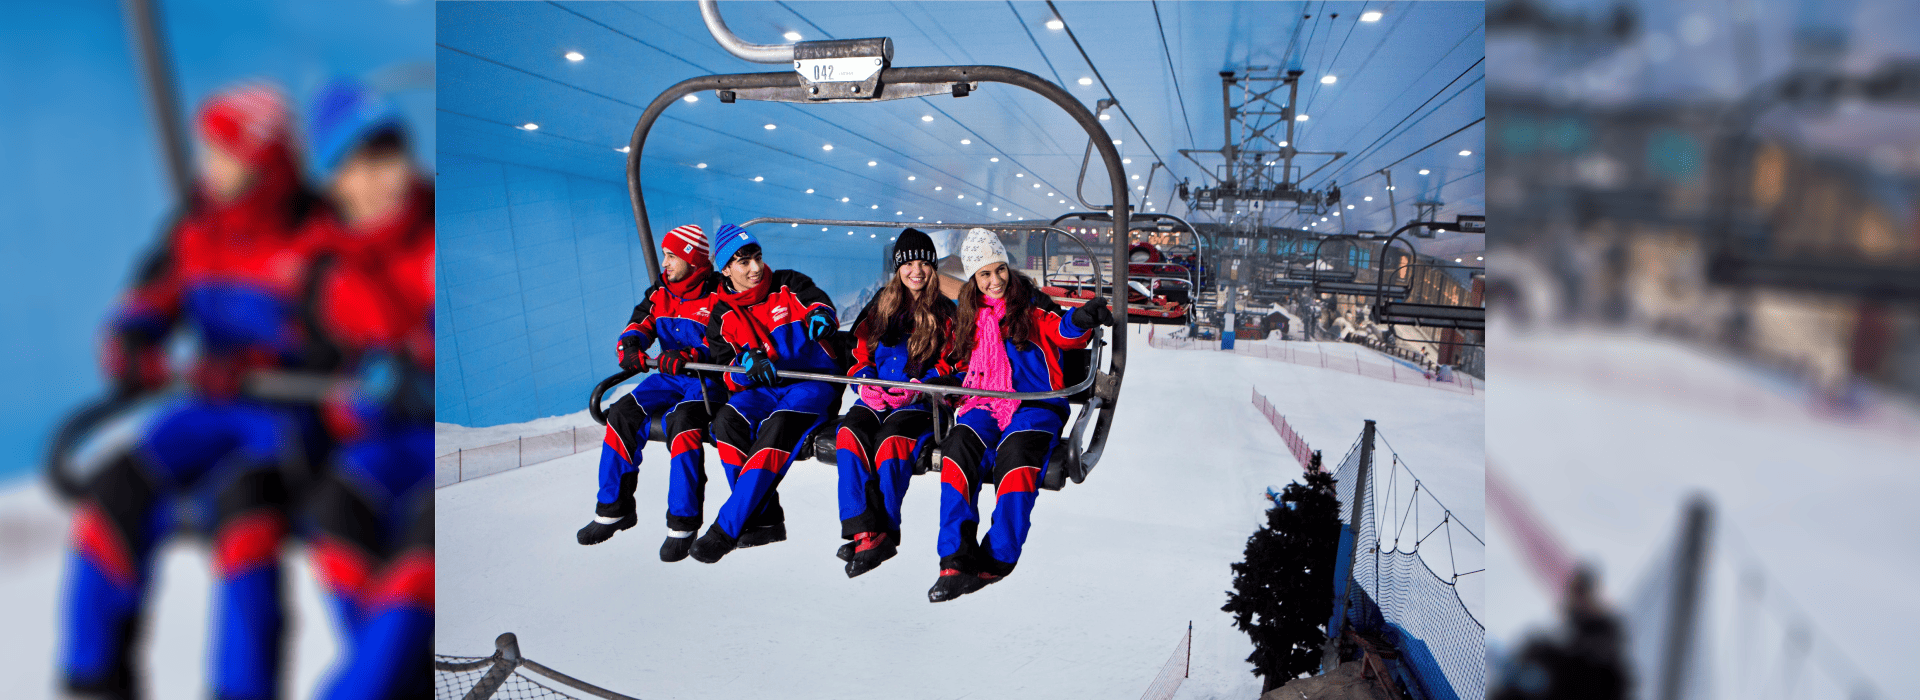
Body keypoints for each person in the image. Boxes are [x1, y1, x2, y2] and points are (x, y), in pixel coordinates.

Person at [62, 82, 329, 700]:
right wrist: (131, 345)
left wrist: (270, 365)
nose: (210, 165)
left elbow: (345, 336)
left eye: (224, 153)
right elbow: (146, 304)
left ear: (261, 158)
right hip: (210, 408)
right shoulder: (196, 228)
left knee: (243, 518)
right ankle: (94, 675)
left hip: (286, 417)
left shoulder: (313, 234)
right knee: (113, 491)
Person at [299, 78, 436, 700]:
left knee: (426, 539)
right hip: (390, 443)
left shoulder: (434, 237)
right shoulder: (327, 272)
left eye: (391, 155)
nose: (384, 176)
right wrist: (355, 397)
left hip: (432, 441)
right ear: (336, 181)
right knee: (335, 505)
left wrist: (418, 364)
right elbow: (325, 386)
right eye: (363, 162)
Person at [928, 228, 1113, 603]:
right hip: (984, 401)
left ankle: (998, 556)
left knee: (1015, 460)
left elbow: (1060, 331)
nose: (995, 281)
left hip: (1036, 403)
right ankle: (954, 559)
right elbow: (962, 359)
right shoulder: (970, 313)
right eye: (985, 274)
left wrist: (1081, 320)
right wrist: (947, 380)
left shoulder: (1029, 303)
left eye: (1000, 270)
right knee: (959, 448)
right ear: (973, 278)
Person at [574, 223, 725, 563]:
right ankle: (614, 510)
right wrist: (630, 345)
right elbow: (641, 322)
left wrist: (691, 356)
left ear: (691, 258)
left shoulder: (719, 294)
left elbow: (726, 341)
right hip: (669, 378)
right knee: (621, 414)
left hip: (708, 381)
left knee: (683, 424)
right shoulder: (661, 291)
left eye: (672, 256)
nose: (665, 263)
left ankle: (682, 525)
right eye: (664, 256)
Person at [689, 225, 840, 563]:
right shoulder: (721, 315)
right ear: (725, 269)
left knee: (779, 427)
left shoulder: (788, 282)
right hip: (763, 389)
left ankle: (727, 527)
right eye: (743, 262)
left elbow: (816, 300)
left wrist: (821, 315)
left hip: (810, 382)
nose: (755, 268)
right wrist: (745, 364)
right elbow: (724, 369)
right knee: (726, 422)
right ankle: (764, 519)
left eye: (757, 257)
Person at [833, 229, 955, 578]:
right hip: (879, 396)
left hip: (922, 403)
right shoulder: (880, 306)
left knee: (890, 443)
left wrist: (923, 387)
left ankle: (880, 530)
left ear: (933, 267)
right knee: (849, 435)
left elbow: (957, 363)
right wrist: (865, 381)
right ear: (897, 268)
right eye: (908, 264)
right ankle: (862, 530)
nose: (916, 271)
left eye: (924, 264)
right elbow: (857, 351)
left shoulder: (946, 311)